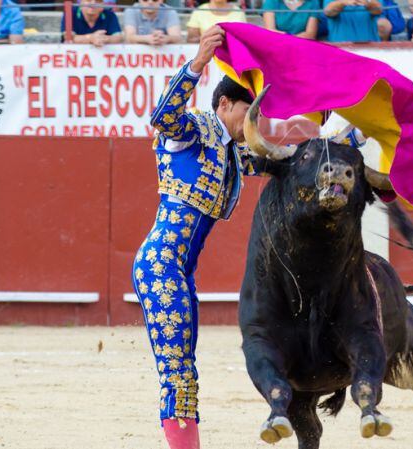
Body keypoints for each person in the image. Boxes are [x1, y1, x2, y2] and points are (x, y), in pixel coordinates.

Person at [132, 25, 257, 449]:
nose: (253, 122)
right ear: (224, 103)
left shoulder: (232, 152)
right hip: (160, 267)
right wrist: (198, 63)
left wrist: (331, 127)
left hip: (179, 273)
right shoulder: (196, 130)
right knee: (179, 374)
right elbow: (162, 117)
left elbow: (282, 162)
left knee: (184, 369)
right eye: (249, 111)